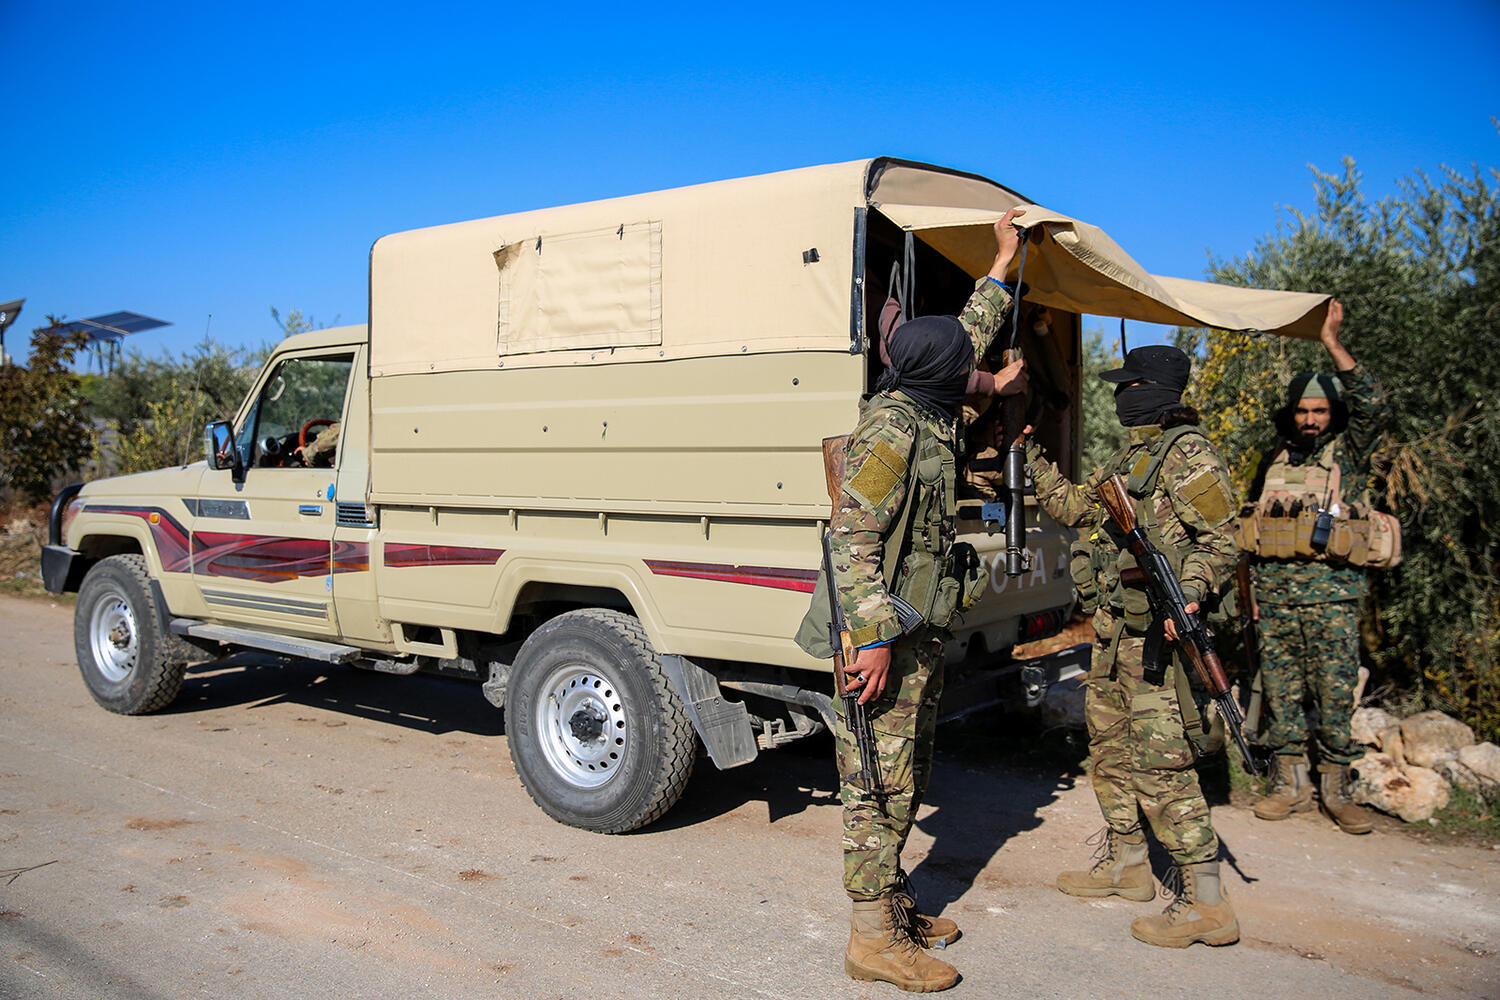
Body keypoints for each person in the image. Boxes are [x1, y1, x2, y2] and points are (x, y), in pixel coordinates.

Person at [796, 210, 1027, 992]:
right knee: (875, 783)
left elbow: (970, 332)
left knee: (909, 774)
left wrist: (1003, 259)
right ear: (938, 372)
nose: (972, 368)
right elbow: (850, 538)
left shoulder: (930, 402)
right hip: (880, 638)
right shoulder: (894, 428)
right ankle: (871, 940)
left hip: (917, 627)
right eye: (963, 366)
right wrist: (870, 639)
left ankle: (893, 905)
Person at [1026, 344, 1240, 949]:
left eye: (1129, 386)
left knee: (1162, 765)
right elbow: (1074, 507)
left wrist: (1190, 593)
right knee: (1110, 752)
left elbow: (1222, 540)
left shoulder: (1189, 454)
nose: (1120, 396)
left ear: (1155, 390)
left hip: (1159, 641)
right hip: (1115, 634)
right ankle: (1128, 865)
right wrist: (1030, 455)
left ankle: (1207, 904)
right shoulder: (1132, 455)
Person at [1243, 299, 1391, 835]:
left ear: (1333, 415)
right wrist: (1251, 596)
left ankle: (1337, 789)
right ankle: (1291, 786)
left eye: (1320, 411)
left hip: (1332, 597)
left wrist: (1331, 342)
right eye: (1304, 411)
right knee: (1280, 693)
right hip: (1276, 597)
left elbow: (1374, 404)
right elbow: (1254, 530)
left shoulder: (1348, 455)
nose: (1310, 420)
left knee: (1334, 694)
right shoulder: (1274, 459)